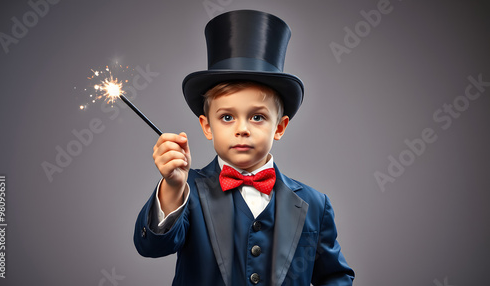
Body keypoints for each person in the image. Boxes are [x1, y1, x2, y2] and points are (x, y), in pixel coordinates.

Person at [134, 10, 355, 285]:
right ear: (206, 126)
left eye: (257, 116)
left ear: (279, 127)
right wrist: (172, 186)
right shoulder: (186, 191)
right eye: (227, 117)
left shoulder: (315, 204)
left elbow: (335, 276)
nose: (242, 128)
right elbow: (152, 247)